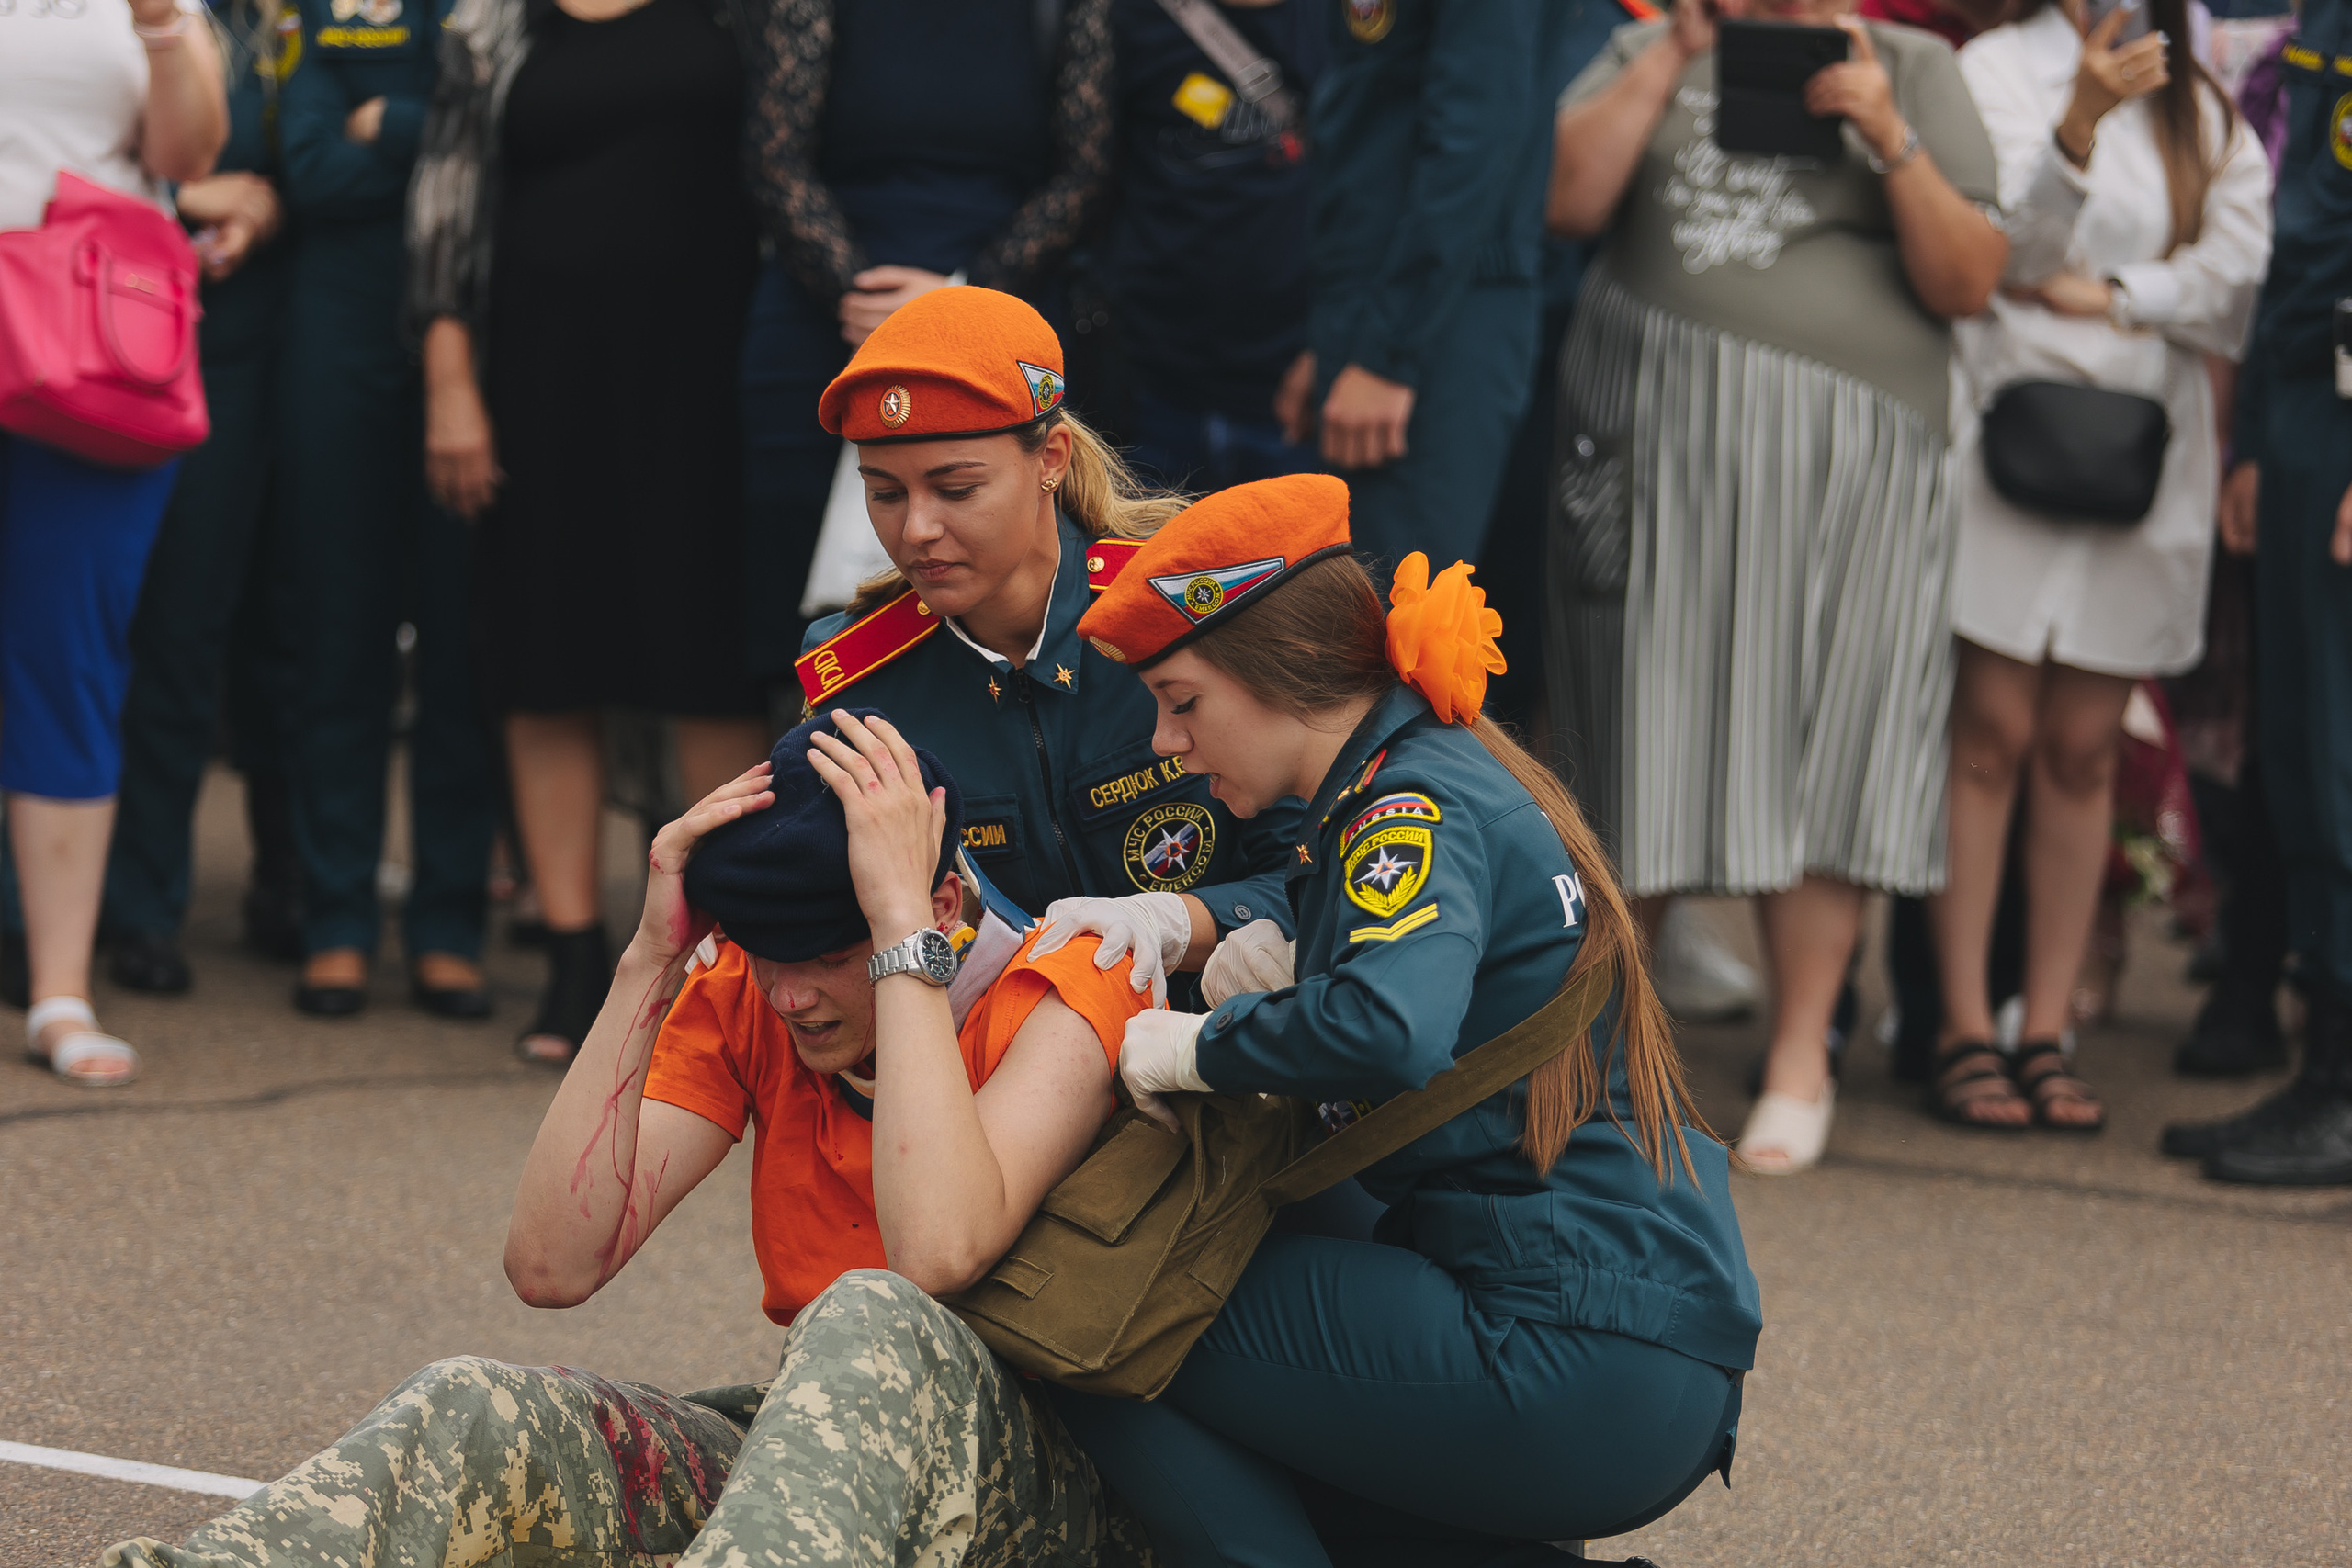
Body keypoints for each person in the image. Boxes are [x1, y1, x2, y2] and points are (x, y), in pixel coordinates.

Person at [104, 710, 1155, 1567]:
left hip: (1045, 1488)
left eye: (826, 954)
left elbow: (934, 1255)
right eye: (765, 951)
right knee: (474, 1405)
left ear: (942, 902)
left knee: (871, 1309)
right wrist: (650, 959)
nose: (789, 994)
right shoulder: (748, 993)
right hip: (819, 1455)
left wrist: (897, 942)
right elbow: (553, 1264)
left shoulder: (1067, 987)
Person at [1027, 473, 1756, 1565]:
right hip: (1627, 1334)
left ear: (1279, 672)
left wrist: (1196, 1048)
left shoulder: (1404, 808)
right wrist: (1216, 942)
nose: (1167, 742)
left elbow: (1387, 1028)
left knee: (1094, 1313)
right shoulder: (1420, 774)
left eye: (1183, 701)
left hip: (1562, 1342)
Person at [1547, 0, 2008, 1173]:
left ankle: (1802, 1055)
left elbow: (1967, 281)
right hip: (1655, 467)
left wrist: (1887, 132)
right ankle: (1598, 1054)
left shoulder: (1912, 67)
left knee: (1826, 747)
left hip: (1852, 484)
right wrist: (1674, 50)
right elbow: (1567, 201)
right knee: (1635, 740)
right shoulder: (1654, 43)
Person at [1923, 0, 2272, 1131]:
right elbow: (1997, 255)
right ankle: (1961, 1026)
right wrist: (2074, 130)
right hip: (2006, 435)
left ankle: (2045, 1028)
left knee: (2082, 750)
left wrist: (2121, 294)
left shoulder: (2197, 106)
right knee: (1985, 735)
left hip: (2141, 459)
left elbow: (2236, 274)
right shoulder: (1992, 72)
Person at [408, 0, 772, 1064]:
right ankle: (575, 958)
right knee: (546, 663)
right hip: (538, 381)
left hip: (706, 382)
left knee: (706, 667)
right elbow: (444, 208)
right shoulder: (493, 24)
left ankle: (722, 958)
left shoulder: (741, 13)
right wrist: (449, 385)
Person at [797, 286, 1302, 988]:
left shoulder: (1194, 608)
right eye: (884, 493)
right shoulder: (860, 685)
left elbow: (1318, 870)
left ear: (1051, 458)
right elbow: (842, 936)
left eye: (956, 488)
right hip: (1001, 1041)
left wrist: (1173, 924)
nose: (916, 530)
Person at [736, 0, 1114, 679]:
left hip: (1007, 299)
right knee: (789, 589)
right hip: (828, 309)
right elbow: (775, 156)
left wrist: (958, 301)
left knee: (1013, 558)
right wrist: (865, 298)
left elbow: (1087, 169)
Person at [0, 0, 227, 1083]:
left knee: (69, 660)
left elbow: (187, 156)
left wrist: (162, 27)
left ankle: (60, 992)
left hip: (87, 341)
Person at [273, 0, 497, 1021]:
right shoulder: (323, 17)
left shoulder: (481, 18)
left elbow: (496, 156)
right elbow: (311, 170)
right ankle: (338, 920)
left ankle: (449, 926)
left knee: (462, 650)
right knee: (340, 641)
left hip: (473, 360)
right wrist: (430, 137)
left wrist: (386, 123)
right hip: (338, 355)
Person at [2161, 0, 2352, 1186]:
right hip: (2302, 401)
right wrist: (2255, 446)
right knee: (2297, 751)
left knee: (2337, 760)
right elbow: (2305, 229)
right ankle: (2322, 1065)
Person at [88, 0, 296, 999]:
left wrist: (261, 206)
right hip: (66, 327)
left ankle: (142, 906)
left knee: (181, 634)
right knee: (63, 632)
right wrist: (187, 194)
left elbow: (310, 161)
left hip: (216, 347)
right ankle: (29, 904)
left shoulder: (276, 23)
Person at [1295, 0, 1570, 574]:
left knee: (1399, 606)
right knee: (1346, 593)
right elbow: (1373, 117)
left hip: (1439, 317)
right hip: (1378, 308)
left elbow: (1473, 142)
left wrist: (1388, 355)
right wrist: (1331, 338)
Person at [1097, 0, 1326, 491]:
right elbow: (1084, 181)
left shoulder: (1347, 22)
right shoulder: (1125, 18)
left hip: (1299, 392)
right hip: (1150, 390)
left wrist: (1335, 345)